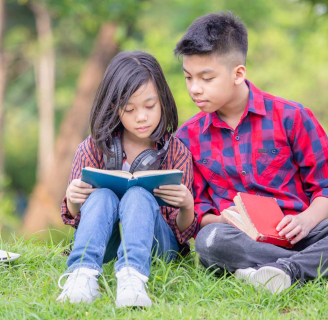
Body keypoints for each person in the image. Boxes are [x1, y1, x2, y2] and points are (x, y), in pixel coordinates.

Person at [175, 11, 328, 294]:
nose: (194, 89)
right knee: (210, 240)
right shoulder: (187, 138)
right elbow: (197, 215)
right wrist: (222, 219)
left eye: (206, 78)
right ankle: (300, 268)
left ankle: (283, 271)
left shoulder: (291, 117)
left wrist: (305, 220)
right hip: (239, 239)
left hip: (302, 232)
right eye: (188, 77)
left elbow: (325, 187)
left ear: (238, 73)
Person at [57, 51, 197, 307]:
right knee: (100, 196)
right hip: (105, 245)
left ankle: (133, 279)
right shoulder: (92, 148)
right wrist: (74, 199)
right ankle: (81, 276)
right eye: (129, 109)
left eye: (149, 106)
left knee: (137, 195)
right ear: (113, 107)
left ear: (163, 101)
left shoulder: (177, 152)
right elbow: (74, 217)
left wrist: (187, 205)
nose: (141, 117)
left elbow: (182, 232)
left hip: (158, 247)